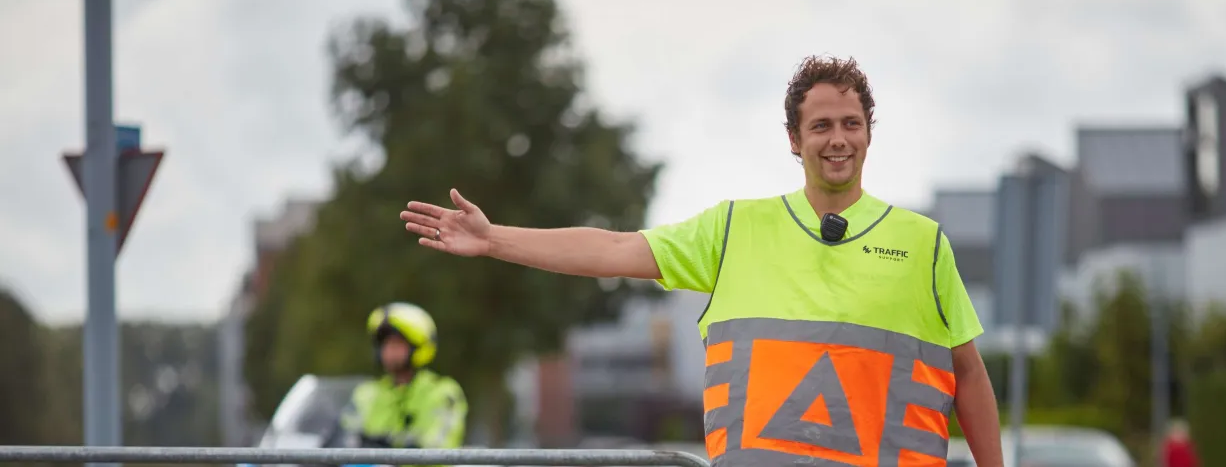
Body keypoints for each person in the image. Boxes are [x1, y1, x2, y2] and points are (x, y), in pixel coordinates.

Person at [399, 55, 1004, 466]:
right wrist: (495, 238)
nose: (837, 138)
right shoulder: (736, 228)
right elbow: (612, 250)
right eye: (820, 125)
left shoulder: (923, 244)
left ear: (870, 132)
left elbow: (969, 375)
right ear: (794, 139)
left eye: (851, 123)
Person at [338, 302, 468, 460]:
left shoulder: (443, 392)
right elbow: (344, 436)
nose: (389, 351)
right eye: (385, 344)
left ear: (417, 347)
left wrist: (390, 447)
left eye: (397, 344)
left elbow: (441, 447)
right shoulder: (367, 393)